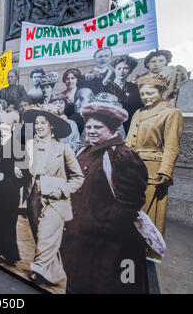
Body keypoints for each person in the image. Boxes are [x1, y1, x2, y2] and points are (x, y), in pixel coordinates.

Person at [61, 101, 149, 294]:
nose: (91, 131)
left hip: (106, 243)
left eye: (98, 127)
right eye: (89, 126)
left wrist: (102, 228)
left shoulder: (123, 156)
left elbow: (130, 203)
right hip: (79, 236)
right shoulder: (84, 152)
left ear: (112, 128)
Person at [22, 104, 84, 288]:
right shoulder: (29, 146)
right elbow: (22, 168)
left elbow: (78, 177)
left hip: (55, 201)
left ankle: (37, 271)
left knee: (45, 237)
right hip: (33, 197)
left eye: (43, 123)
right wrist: (19, 171)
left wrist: (62, 190)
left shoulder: (63, 148)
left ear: (52, 126)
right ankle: (55, 276)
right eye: (37, 123)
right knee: (42, 238)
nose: (39, 126)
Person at [125, 76, 184, 262]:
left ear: (160, 92)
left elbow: (172, 145)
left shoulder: (171, 113)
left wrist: (166, 170)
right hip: (133, 168)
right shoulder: (138, 113)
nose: (146, 97)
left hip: (153, 170)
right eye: (142, 94)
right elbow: (129, 142)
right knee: (131, 210)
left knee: (149, 213)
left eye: (150, 93)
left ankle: (148, 251)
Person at [0, 112, 24, 266]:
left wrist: (5, 177)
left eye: (7, 125)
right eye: (1, 124)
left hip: (10, 192)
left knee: (8, 223)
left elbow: (23, 174)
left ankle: (9, 254)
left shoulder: (19, 147)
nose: (3, 127)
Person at [104, 55, 144, 134]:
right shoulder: (105, 89)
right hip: (112, 127)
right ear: (114, 70)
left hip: (131, 126)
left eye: (125, 68)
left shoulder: (135, 88)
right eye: (119, 68)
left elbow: (139, 108)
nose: (122, 71)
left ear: (130, 71)